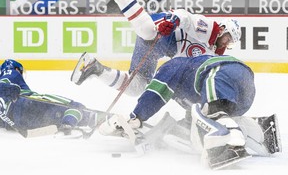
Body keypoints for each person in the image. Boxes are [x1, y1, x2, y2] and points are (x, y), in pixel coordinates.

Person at [70, 0, 242, 97]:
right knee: (148, 31)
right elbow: (186, 17)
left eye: (231, 42)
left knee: (135, 87)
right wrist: (174, 21)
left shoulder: (214, 56)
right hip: (167, 30)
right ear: (222, 30)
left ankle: (95, 67)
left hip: (159, 50)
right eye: (228, 37)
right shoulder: (210, 28)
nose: (227, 43)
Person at [97, 55, 281, 169]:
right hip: (244, 80)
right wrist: (163, 134)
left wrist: (137, 117)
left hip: (219, 72)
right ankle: (262, 134)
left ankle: (226, 145)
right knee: (215, 113)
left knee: (214, 115)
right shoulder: (189, 89)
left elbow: (155, 93)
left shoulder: (170, 67)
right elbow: (193, 121)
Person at [0, 59, 98, 137]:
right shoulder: (10, 72)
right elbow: (4, 83)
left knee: (55, 116)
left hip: (18, 123)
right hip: (26, 103)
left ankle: (67, 125)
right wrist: (5, 88)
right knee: (74, 106)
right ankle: (94, 118)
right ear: (17, 69)